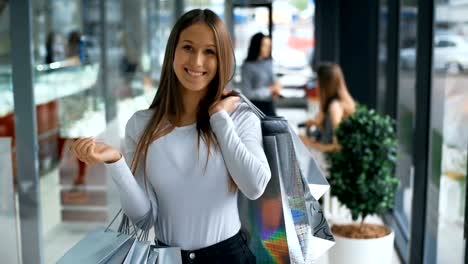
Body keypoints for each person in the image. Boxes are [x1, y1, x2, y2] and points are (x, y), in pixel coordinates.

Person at [70, 9, 271, 264]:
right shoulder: (141, 125)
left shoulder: (238, 117)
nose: (197, 61)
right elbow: (143, 218)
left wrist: (219, 118)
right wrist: (116, 161)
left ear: (222, 59)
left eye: (209, 52)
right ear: (172, 52)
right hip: (167, 258)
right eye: (188, 47)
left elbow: (255, 185)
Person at [299, 62, 356, 153]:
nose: (316, 85)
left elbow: (338, 147)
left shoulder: (335, 108)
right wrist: (317, 123)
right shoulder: (333, 105)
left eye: (318, 80)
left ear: (325, 84)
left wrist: (309, 143)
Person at [241, 32, 282, 116]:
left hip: (270, 106)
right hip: (255, 109)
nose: (268, 49)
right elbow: (247, 93)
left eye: (269, 46)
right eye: (264, 45)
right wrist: (269, 90)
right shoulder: (247, 66)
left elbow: (273, 80)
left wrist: (277, 88)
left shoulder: (270, 62)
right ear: (257, 46)